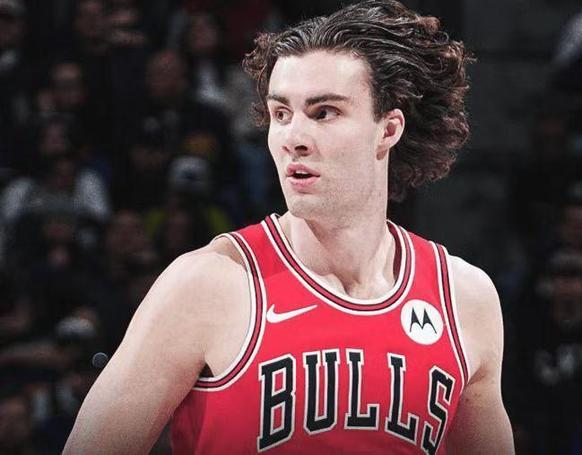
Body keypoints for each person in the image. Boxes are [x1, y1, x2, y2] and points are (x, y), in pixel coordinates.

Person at [64, 1, 514, 453]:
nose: (293, 138)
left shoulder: (464, 299)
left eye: (324, 113)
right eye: (281, 114)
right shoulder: (208, 285)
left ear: (388, 128)